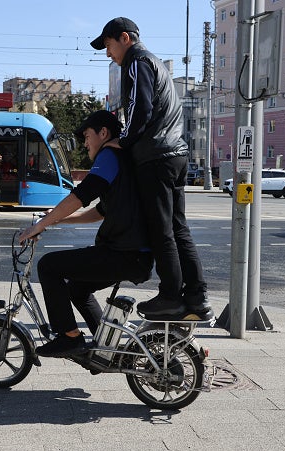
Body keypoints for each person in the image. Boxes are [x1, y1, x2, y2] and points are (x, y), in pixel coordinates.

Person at [90, 17, 213, 321]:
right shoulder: (155, 63)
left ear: (124, 38)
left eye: (108, 46)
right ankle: (196, 297)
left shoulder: (137, 61)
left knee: (161, 230)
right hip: (175, 154)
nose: (108, 54)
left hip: (155, 156)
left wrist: (124, 140)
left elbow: (139, 108)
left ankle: (170, 296)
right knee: (178, 228)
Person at [18, 110, 153, 357]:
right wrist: (55, 220)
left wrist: (42, 224)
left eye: (87, 136)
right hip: (132, 255)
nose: (85, 143)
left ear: (104, 133)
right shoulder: (122, 161)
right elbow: (99, 211)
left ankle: (69, 337)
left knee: (49, 266)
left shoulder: (109, 155)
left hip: (124, 253)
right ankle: (105, 350)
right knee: (77, 289)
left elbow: (81, 195)